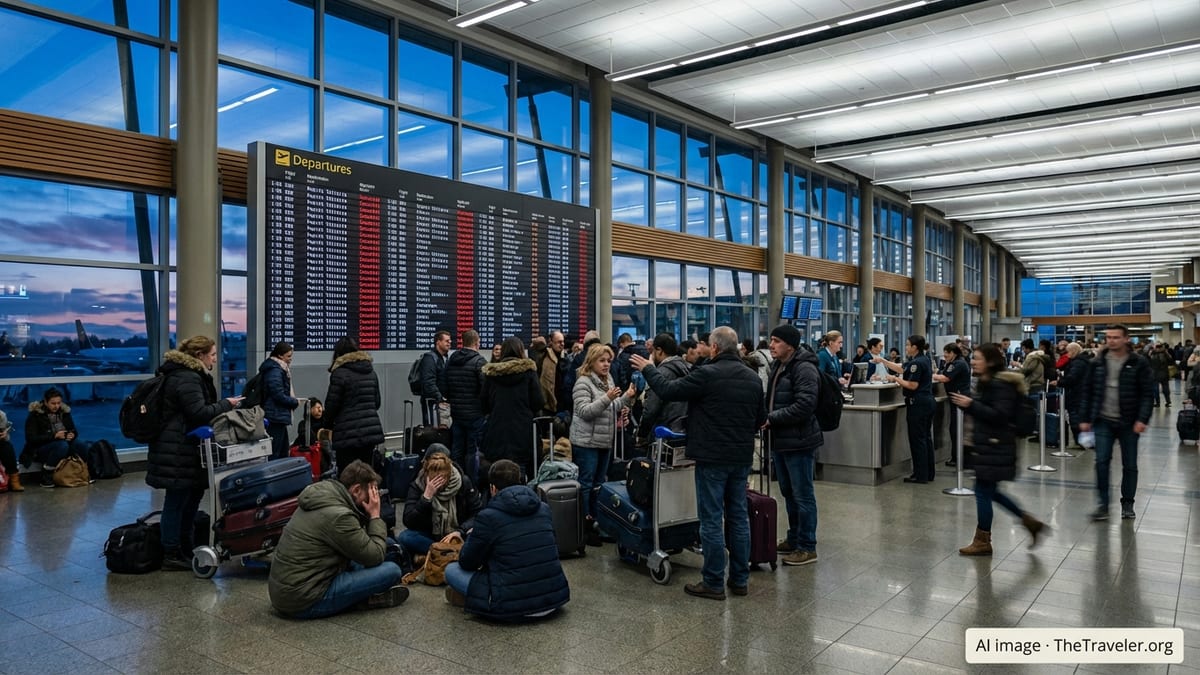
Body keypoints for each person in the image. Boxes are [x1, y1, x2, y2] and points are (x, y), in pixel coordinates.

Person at [630, 326, 765, 600]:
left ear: (715, 348)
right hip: (740, 456)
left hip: (711, 457)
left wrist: (648, 369)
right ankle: (739, 579)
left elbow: (668, 390)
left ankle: (714, 581)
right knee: (738, 517)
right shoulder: (752, 378)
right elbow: (760, 419)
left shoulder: (708, 374)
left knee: (712, 519)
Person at [146, 336, 241, 569]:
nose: (215, 359)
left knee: (188, 500)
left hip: (183, 449)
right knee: (178, 501)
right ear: (200, 356)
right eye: (213, 354)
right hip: (180, 450)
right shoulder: (187, 378)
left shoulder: (180, 375)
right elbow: (199, 412)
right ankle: (172, 552)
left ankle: (183, 548)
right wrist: (227, 404)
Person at [268, 460, 407, 619]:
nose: (375, 497)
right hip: (304, 600)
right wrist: (375, 516)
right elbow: (374, 556)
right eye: (372, 490)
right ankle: (360, 600)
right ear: (356, 490)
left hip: (287, 592)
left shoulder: (325, 496)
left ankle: (359, 595)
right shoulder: (339, 516)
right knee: (391, 570)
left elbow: (357, 542)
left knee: (386, 547)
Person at [443, 459, 570, 621]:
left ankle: (472, 600)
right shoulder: (543, 508)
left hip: (513, 606)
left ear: (493, 488)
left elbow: (467, 562)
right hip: (553, 599)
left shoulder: (488, 518)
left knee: (451, 571)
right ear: (521, 480)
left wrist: (473, 537)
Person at [951, 344, 1046, 556]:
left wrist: (970, 405)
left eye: (977, 358)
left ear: (990, 362)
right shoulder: (989, 383)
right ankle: (1029, 522)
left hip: (996, 445)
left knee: (983, 492)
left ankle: (983, 540)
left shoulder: (1000, 385)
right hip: (990, 444)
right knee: (988, 491)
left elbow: (1000, 415)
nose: (973, 361)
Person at [1078, 324, 1154, 521]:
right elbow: (1087, 391)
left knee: (1129, 465)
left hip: (1129, 421)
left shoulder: (1138, 363)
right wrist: (1084, 419)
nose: (1111, 341)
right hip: (1103, 420)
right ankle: (1103, 503)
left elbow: (1147, 393)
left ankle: (1127, 503)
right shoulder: (1097, 363)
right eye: (1108, 337)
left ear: (1126, 339)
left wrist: (1142, 419)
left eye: (1115, 337)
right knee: (1101, 461)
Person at [762, 324, 823, 566]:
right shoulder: (779, 366)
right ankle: (794, 537)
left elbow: (805, 405)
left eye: (776, 341)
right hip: (782, 440)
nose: (771, 345)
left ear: (790, 344)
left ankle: (808, 546)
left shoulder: (804, 368)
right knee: (788, 492)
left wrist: (772, 418)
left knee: (803, 494)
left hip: (799, 441)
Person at [570, 343, 636, 543]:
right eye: (602, 360)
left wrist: (625, 398)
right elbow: (584, 412)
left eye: (609, 360)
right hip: (586, 442)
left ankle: (599, 523)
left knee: (599, 485)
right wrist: (608, 398)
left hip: (604, 441)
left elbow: (611, 406)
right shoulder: (583, 382)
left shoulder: (607, 380)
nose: (607, 364)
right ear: (591, 361)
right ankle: (584, 525)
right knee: (586, 484)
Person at [398, 447, 482, 564]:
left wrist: (460, 531)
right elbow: (409, 521)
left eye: (442, 479)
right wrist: (426, 497)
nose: (438, 485)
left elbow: (477, 513)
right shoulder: (418, 484)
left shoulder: (463, 482)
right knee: (405, 537)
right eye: (434, 480)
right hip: (431, 535)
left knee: (479, 535)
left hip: (457, 533)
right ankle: (450, 554)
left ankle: (436, 555)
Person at [481, 336, 543, 482]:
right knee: (519, 473)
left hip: (496, 431)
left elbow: (483, 404)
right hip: (523, 432)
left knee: (497, 475)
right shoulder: (528, 372)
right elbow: (538, 402)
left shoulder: (491, 374)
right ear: (521, 351)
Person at [876, 335, 935, 483]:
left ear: (915, 347)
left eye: (908, 345)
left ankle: (920, 475)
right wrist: (883, 361)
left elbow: (912, 385)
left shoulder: (917, 363)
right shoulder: (922, 360)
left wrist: (895, 379)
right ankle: (928, 473)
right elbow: (902, 369)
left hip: (918, 404)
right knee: (925, 438)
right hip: (926, 402)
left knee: (918, 440)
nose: (906, 347)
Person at [324, 336, 384, 473]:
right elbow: (377, 402)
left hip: (346, 434)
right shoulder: (370, 372)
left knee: (347, 475)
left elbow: (332, 405)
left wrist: (327, 425)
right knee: (367, 474)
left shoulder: (339, 373)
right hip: (370, 432)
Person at [443, 330, 487, 480]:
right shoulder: (479, 361)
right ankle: (471, 484)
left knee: (456, 448)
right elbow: (485, 389)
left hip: (457, 412)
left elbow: (445, 386)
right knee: (472, 450)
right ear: (476, 342)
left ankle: (455, 479)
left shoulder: (451, 360)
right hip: (475, 414)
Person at [637, 333, 690, 444]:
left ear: (659, 350)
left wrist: (642, 433)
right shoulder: (687, 368)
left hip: (663, 431)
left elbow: (651, 408)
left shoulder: (660, 373)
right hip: (684, 429)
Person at [259, 341, 300, 460]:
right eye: (288, 356)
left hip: (277, 416)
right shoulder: (275, 370)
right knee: (276, 452)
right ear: (280, 355)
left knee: (281, 451)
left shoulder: (275, 368)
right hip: (275, 416)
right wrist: (294, 402)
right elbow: (277, 394)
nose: (290, 359)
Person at [934, 344, 971, 467]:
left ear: (954, 353)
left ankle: (959, 458)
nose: (945, 356)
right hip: (954, 399)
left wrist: (930, 375)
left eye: (947, 354)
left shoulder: (958, 364)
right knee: (954, 429)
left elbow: (945, 378)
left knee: (957, 429)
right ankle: (956, 456)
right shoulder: (951, 363)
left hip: (959, 399)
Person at [1058, 343, 1091, 448]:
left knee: (1075, 416)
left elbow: (1072, 378)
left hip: (1075, 393)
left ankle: (1080, 440)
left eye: (1068, 351)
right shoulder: (1083, 361)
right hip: (1081, 393)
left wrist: (1060, 382)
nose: (1067, 354)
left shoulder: (1078, 363)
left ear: (1073, 351)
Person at [418, 330, 451, 426]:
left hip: (439, 403)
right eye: (447, 341)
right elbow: (428, 382)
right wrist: (440, 398)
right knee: (433, 431)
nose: (449, 343)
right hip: (432, 403)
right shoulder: (429, 358)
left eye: (450, 341)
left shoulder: (441, 358)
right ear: (438, 342)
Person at [0, 409, 24, 492]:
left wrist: (4, 434)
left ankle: (14, 479)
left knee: (6, 446)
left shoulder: (1, 415)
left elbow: (6, 437)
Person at [1147, 342, 1173, 408]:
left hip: (1155, 373)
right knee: (1165, 388)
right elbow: (1171, 360)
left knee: (1155, 389)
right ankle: (1168, 401)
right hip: (1164, 373)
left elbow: (1147, 360)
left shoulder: (1152, 353)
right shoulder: (1165, 353)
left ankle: (1157, 403)